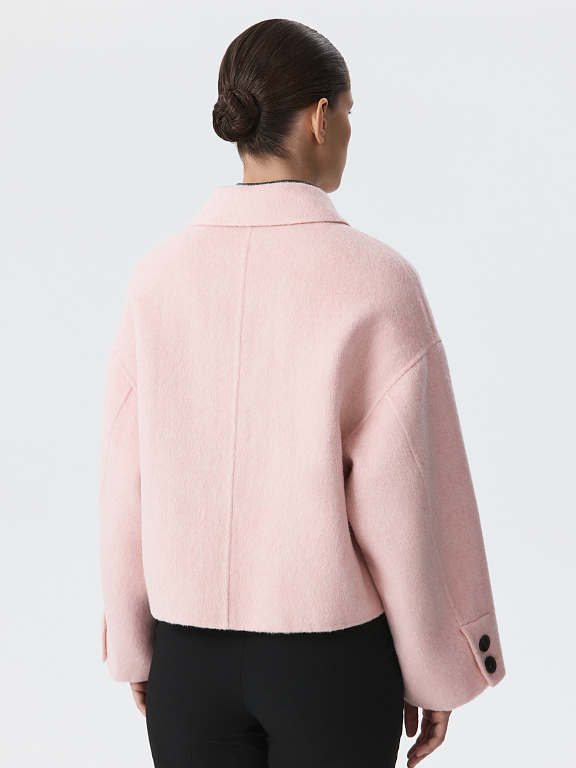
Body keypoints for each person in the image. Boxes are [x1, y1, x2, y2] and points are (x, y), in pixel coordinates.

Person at [99, 18, 506, 768]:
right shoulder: (378, 281)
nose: (348, 130)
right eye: (348, 112)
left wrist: (133, 645)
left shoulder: (155, 280)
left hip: (187, 659)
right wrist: (441, 662)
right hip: (330, 666)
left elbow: (126, 481)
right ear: (320, 117)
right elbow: (409, 498)